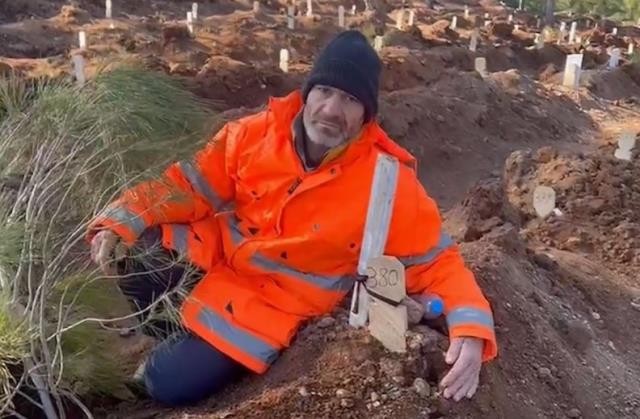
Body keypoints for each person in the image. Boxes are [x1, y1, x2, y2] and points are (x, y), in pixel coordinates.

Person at [88, 30, 497, 407]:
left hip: (269, 308)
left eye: (351, 100)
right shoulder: (254, 134)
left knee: (165, 384)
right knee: (136, 250)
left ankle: (191, 357)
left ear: (367, 114)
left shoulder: (388, 182)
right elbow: (189, 187)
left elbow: (437, 262)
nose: (332, 110)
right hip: (221, 264)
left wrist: (471, 330)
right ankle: (181, 337)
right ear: (307, 93)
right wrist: (125, 217)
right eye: (325, 91)